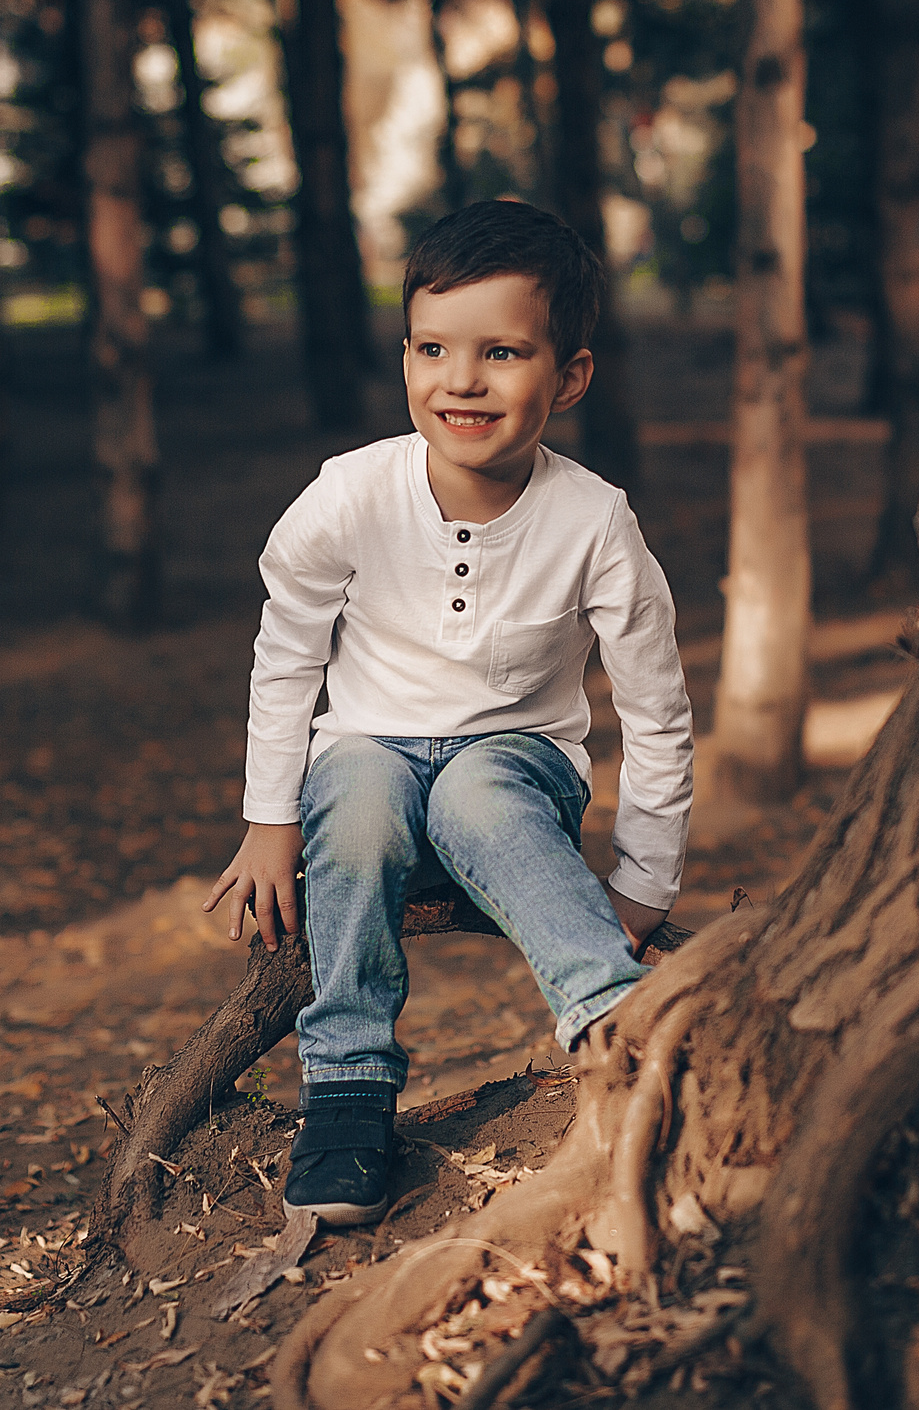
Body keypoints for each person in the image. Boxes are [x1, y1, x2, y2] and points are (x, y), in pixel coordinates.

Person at [204, 199, 695, 1226]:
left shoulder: (594, 521)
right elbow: (286, 658)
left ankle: (618, 1026)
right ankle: (347, 1087)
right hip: (365, 764)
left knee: (476, 791)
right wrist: (267, 818)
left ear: (569, 376)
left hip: (515, 766)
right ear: (405, 358)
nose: (460, 380)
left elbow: (656, 710)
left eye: (501, 352)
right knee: (360, 788)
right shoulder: (348, 496)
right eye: (433, 348)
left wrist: (644, 883)